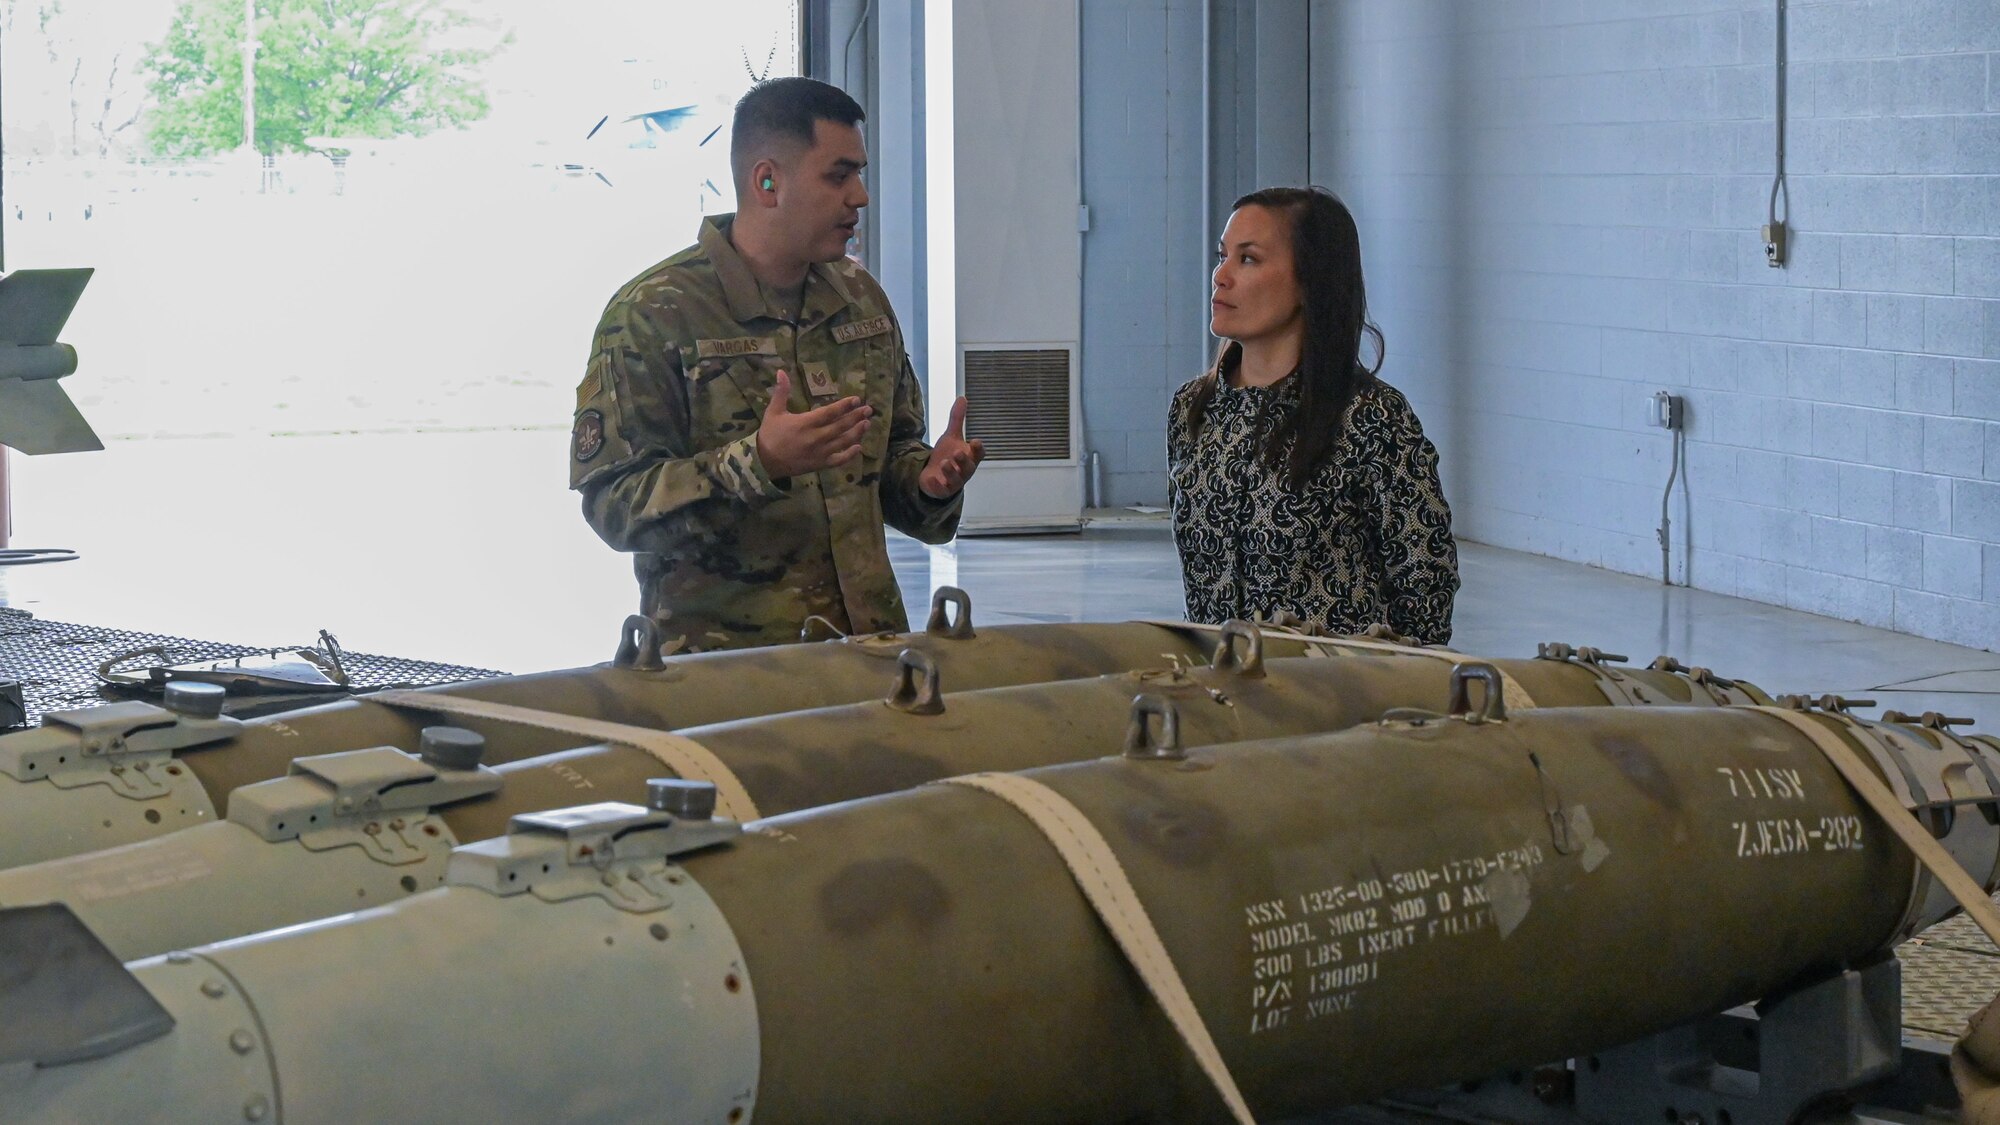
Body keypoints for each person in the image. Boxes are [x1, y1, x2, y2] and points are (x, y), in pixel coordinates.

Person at [570, 77, 983, 653]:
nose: (860, 196)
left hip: (870, 654)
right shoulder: (655, 314)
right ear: (767, 181)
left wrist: (930, 481)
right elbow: (613, 505)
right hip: (727, 678)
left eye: (859, 173)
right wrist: (759, 462)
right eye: (839, 176)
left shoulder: (860, 301)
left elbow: (889, 460)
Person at [1167, 186, 1458, 644]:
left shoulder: (1371, 416)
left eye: (1248, 259)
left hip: (1332, 698)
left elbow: (1425, 586)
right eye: (1223, 256)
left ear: (1309, 281)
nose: (1220, 276)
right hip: (1220, 691)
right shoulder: (1192, 409)